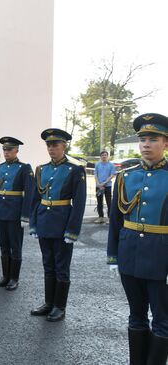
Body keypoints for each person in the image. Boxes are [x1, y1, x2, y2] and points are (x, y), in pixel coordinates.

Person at [107, 113, 168, 364]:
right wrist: (113, 255)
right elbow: (115, 220)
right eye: (143, 139)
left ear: (165, 143)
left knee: (163, 320)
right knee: (136, 315)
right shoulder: (125, 176)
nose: (145, 144)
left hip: (161, 257)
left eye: (153, 139)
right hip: (129, 254)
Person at [29, 128, 86, 322]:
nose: (51, 148)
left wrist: (72, 230)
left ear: (64, 146)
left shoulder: (75, 169)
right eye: (49, 145)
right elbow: (36, 199)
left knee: (61, 266)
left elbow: (79, 203)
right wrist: (34, 224)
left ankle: (60, 306)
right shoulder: (41, 169)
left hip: (62, 222)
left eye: (55, 145)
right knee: (48, 264)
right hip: (45, 220)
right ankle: (48, 303)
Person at [0, 137, 34, 290]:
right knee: (4, 246)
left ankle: (14, 278)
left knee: (15, 246)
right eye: (5, 150)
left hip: (15, 212)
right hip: (1, 211)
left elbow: (29, 193)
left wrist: (25, 216)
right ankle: (5, 276)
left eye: (9, 149)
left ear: (16, 150)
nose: (6, 152)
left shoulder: (25, 168)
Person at [93, 150, 117, 224]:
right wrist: (98, 183)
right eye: (102, 155)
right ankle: (101, 217)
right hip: (98, 186)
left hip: (108, 186)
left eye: (105, 155)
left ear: (107, 156)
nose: (104, 156)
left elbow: (112, 175)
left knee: (109, 202)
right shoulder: (97, 164)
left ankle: (109, 218)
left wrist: (104, 183)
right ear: (100, 156)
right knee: (99, 202)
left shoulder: (111, 165)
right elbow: (95, 174)